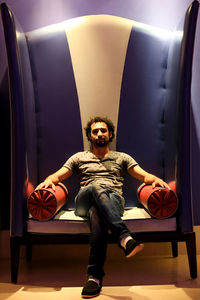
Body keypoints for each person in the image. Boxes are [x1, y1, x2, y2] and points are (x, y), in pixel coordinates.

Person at [37, 116, 169, 298]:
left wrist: (155, 179)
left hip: (113, 201)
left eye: (103, 130)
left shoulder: (121, 158)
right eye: (95, 131)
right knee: (96, 186)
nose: (99, 134)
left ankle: (94, 278)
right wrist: (47, 182)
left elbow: (143, 176)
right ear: (90, 136)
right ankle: (124, 237)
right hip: (84, 201)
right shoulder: (79, 158)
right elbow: (56, 176)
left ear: (110, 134)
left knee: (97, 213)